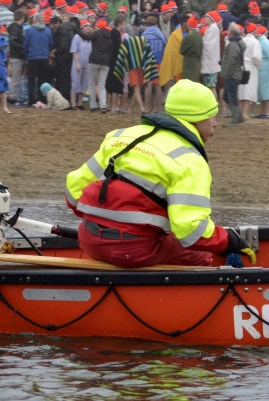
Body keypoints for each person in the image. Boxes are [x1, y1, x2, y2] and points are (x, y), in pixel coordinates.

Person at [64, 79, 256, 268]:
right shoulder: (190, 160)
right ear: (196, 119)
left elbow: (73, 193)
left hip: (88, 240)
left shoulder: (120, 136)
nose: (215, 124)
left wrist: (104, 227)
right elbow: (192, 232)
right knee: (201, 253)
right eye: (212, 116)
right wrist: (229, 241)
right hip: (134, 250)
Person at [221, 23, 246, 126]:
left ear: (231, 33)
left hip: (232, 75)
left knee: (231, 97)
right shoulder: (236, 43)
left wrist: (227, 73)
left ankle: (234, 120)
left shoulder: (233, 45)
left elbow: (231, 61)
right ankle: (239, 117)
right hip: (235, 74)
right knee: (227, 97)